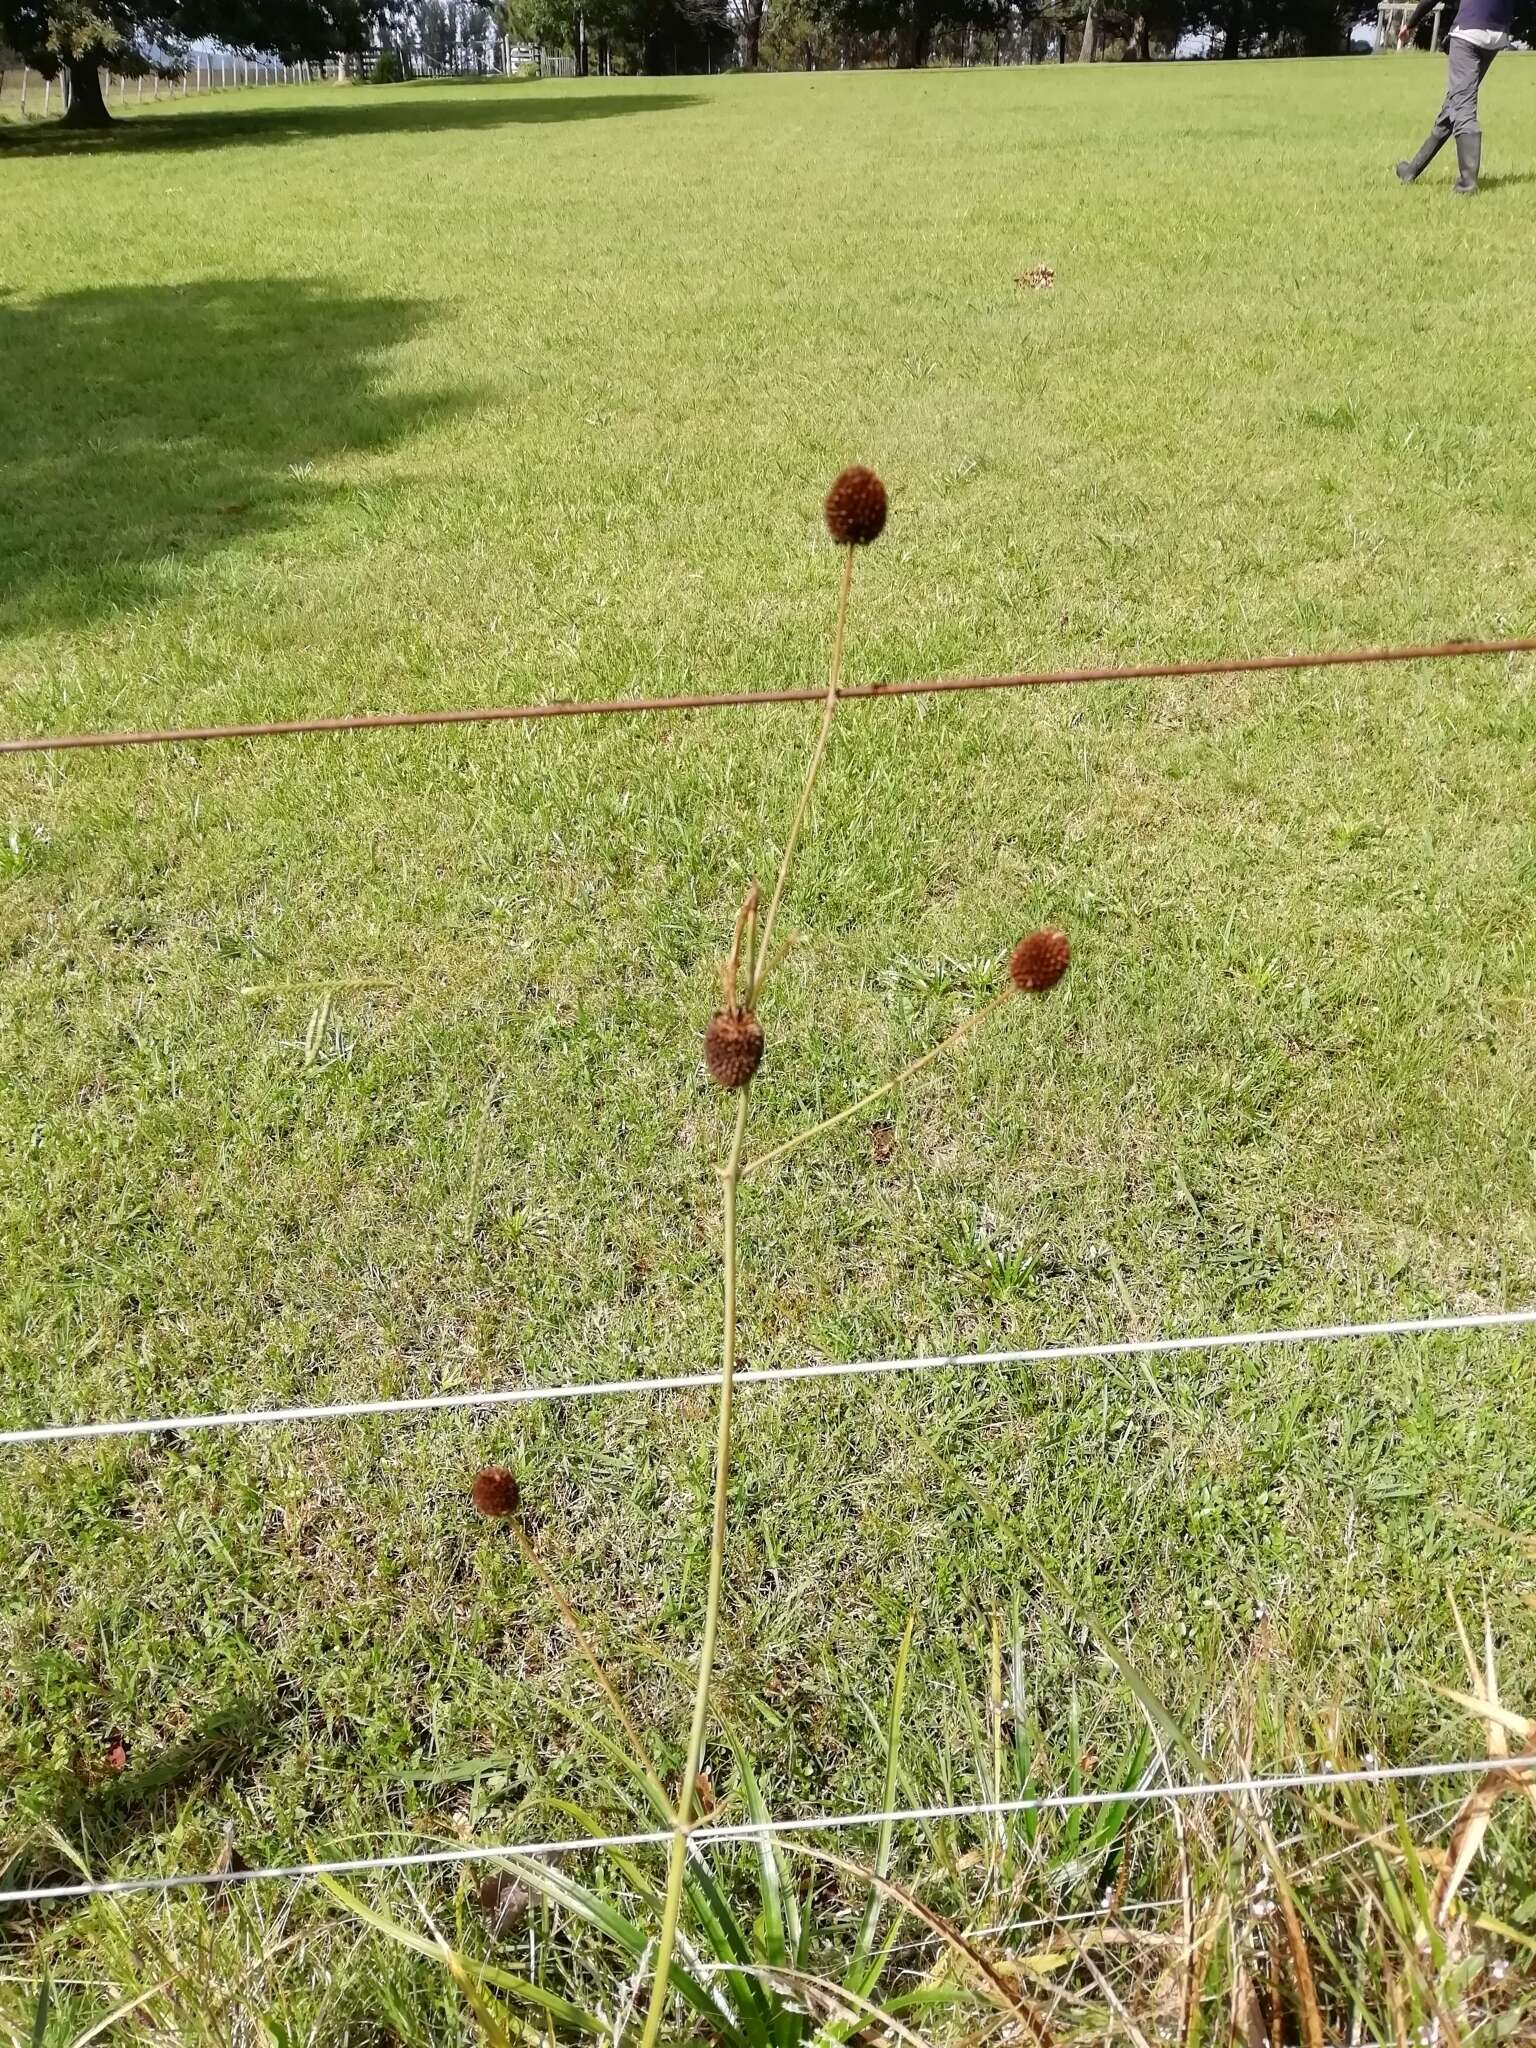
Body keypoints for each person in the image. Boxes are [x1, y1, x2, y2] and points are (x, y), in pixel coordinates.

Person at [1395, 0, 1514, 196]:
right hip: (1496, 34)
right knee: (1453, 105)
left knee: (1463, 106)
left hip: (1468, 31)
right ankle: (1411, 170)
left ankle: (1467, 185)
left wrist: (1411, 23)